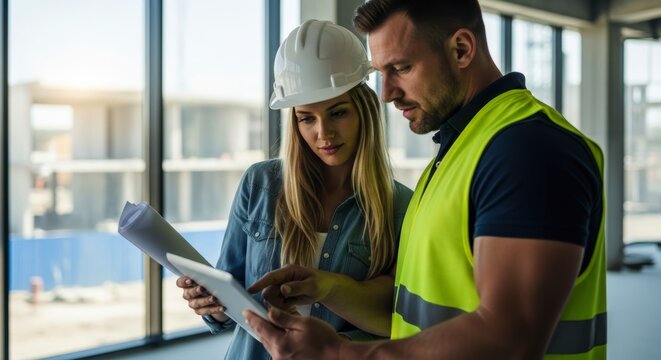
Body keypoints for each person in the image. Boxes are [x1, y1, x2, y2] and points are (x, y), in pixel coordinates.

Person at [244, 1, 607, 359]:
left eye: (402, 67)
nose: (386, 94)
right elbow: (411, 311)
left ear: (461, 49)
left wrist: (340, 354)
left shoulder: (529, 151)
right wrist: (329, 288)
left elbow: (509, 338)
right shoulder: (461, 151)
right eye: (381, 73)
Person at [175, 19, 413, 360]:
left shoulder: (400, 207)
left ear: (365, 111)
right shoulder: (260, 185)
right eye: (307, 118)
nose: (324, 133)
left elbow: (396, 320)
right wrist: (209, 305)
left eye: (338, 112)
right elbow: (229, 297)